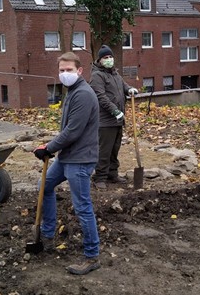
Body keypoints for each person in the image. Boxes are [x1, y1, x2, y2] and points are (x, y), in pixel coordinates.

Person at [33, 52, 101, 276]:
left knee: (82, 206)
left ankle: (92, 256)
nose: (64, 74)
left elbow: (73, 131)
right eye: (61, 70)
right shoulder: (72, 91)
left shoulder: (83, 94)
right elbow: (68, 129)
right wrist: (51, 145)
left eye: (69, 70)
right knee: (45, 186)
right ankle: (48, 233)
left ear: (80, 71)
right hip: (67, 156)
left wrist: (49, 148)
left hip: (80, 159)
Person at [90, 45, 138, 189]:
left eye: (110, 57)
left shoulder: (115, 74)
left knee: (114, 149)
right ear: (100, 60)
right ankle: (100, 177)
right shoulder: (97, 76)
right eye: (106, 57)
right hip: (105, 121)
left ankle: (112, 173)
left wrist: (129, 89)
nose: (109, 59)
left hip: (118, 120)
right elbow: (100, 96)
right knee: (104, 150)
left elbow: (123, 86)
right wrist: (114, 111)